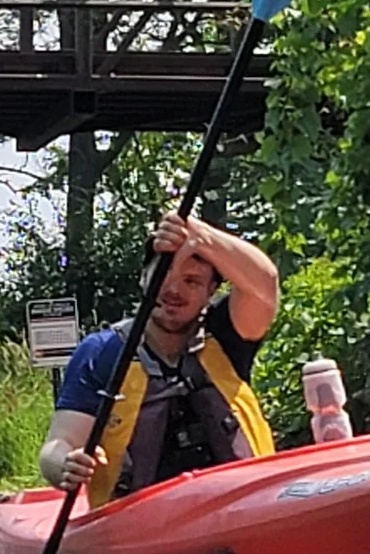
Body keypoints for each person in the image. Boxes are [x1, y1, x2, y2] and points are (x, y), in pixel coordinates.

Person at [38, 210, 278, 507]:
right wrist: (64, 464)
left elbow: (265, 282)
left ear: (210, 292)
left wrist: (199, 233)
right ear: (143, 278)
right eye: (163, 275)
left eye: (191, 282)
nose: (174, 290)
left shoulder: (228, 332)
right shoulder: (103, 352)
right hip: (135, 519)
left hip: (237, 507)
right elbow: (56, 445)